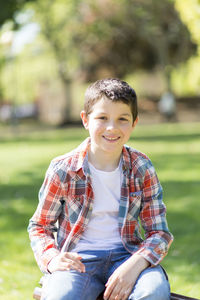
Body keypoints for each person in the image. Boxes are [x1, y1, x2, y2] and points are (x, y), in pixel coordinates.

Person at [28, 78, 173, 300]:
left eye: (122, 119)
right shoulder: (64, 169)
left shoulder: (141, 167)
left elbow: (159, 232)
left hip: (129, 256)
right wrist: (52, 258)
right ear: (85, 119)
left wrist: (135, 265)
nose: (112, 128)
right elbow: (40, 225)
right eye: (102, 118)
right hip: (78, 261)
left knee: (153, 292)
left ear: (134, 123)